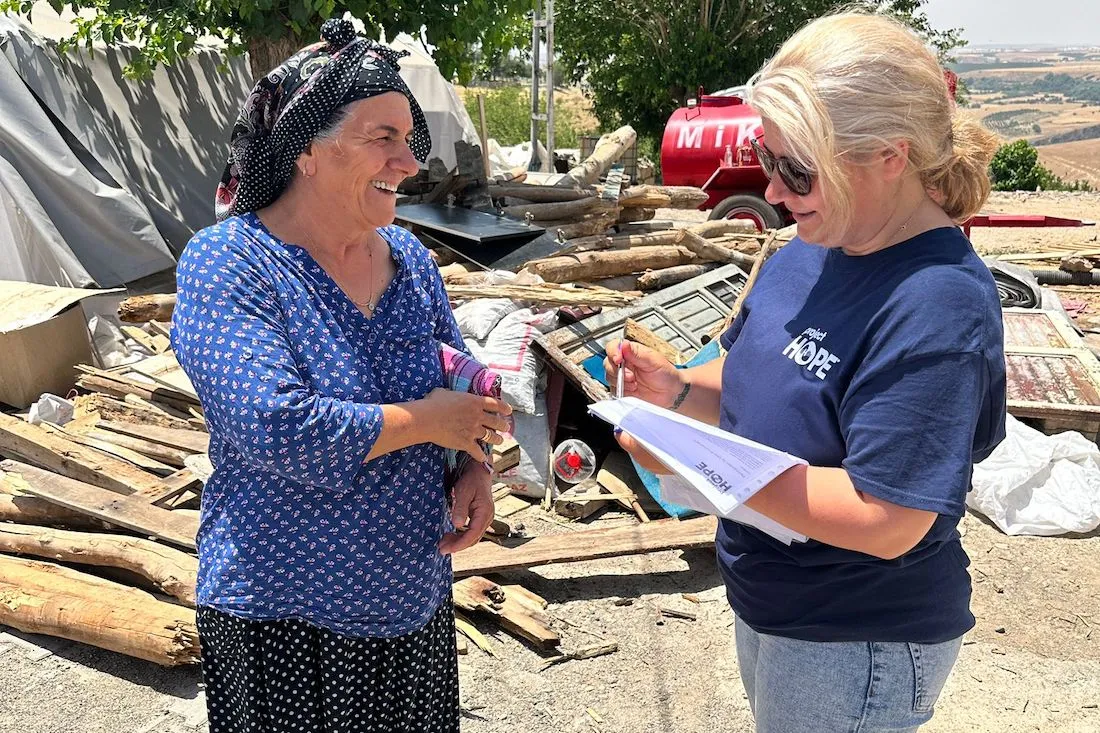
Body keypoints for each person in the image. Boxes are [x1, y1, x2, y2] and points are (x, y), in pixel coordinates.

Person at [605, 12, 1006, 733]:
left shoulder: (938, 302)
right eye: (769, 158)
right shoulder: (817, 241)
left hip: (854, 637)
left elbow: (888, 517)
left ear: (891, 155)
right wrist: (678, 391)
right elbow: (761, 374)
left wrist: (700, 468)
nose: (777, 192)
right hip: (779, 610)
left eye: (798, 169)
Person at [171, 18, 512, 732]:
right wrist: (431, 422)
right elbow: (275, 424)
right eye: (381, 137)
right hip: (282, 615)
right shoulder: (230, 263)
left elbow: (453, 371)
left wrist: (470, 461)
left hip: (407, 601)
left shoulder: (409, 260)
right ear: (307, 153)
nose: (408, 162)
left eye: (407, 138)